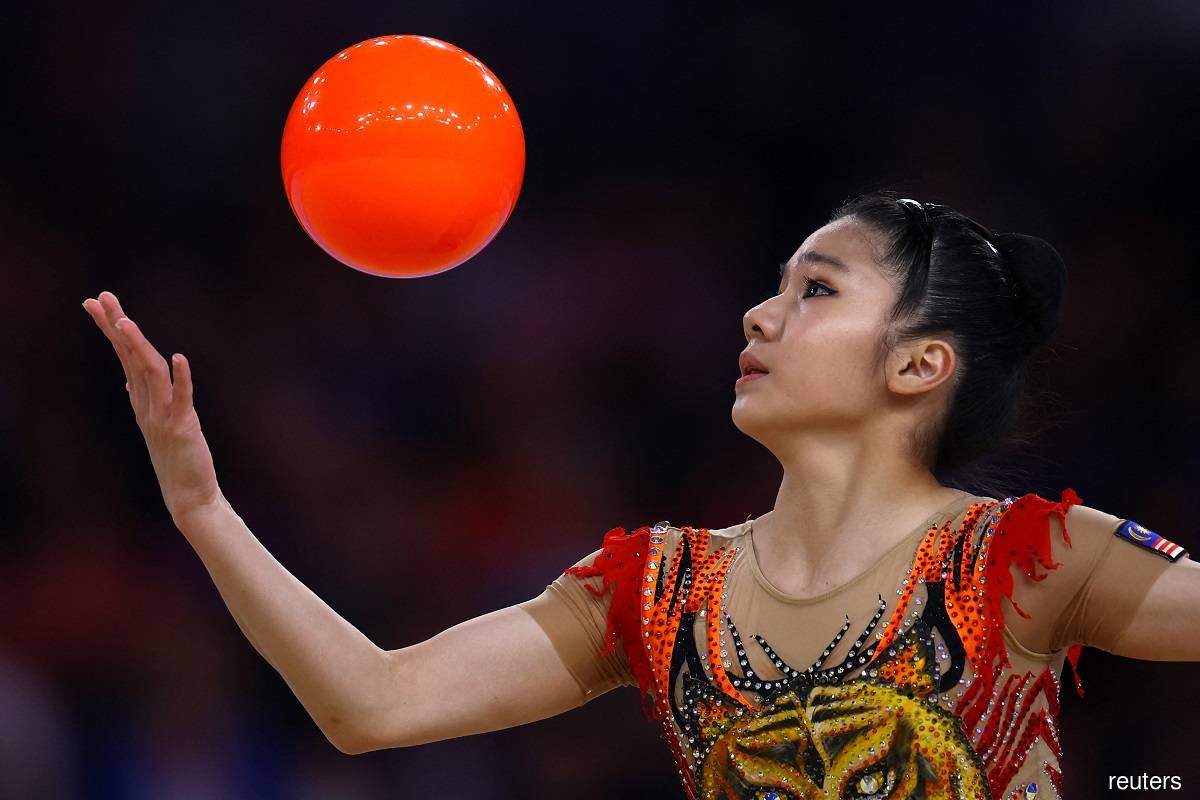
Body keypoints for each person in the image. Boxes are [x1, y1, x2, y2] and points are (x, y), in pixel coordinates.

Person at [81, 189, 1199, 800]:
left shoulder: (1033, 558)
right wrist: (205, 511)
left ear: (918, 365)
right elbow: (369, 703)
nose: (760, 316)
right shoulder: (662, 589)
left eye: (814, 289)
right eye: (771, 288)